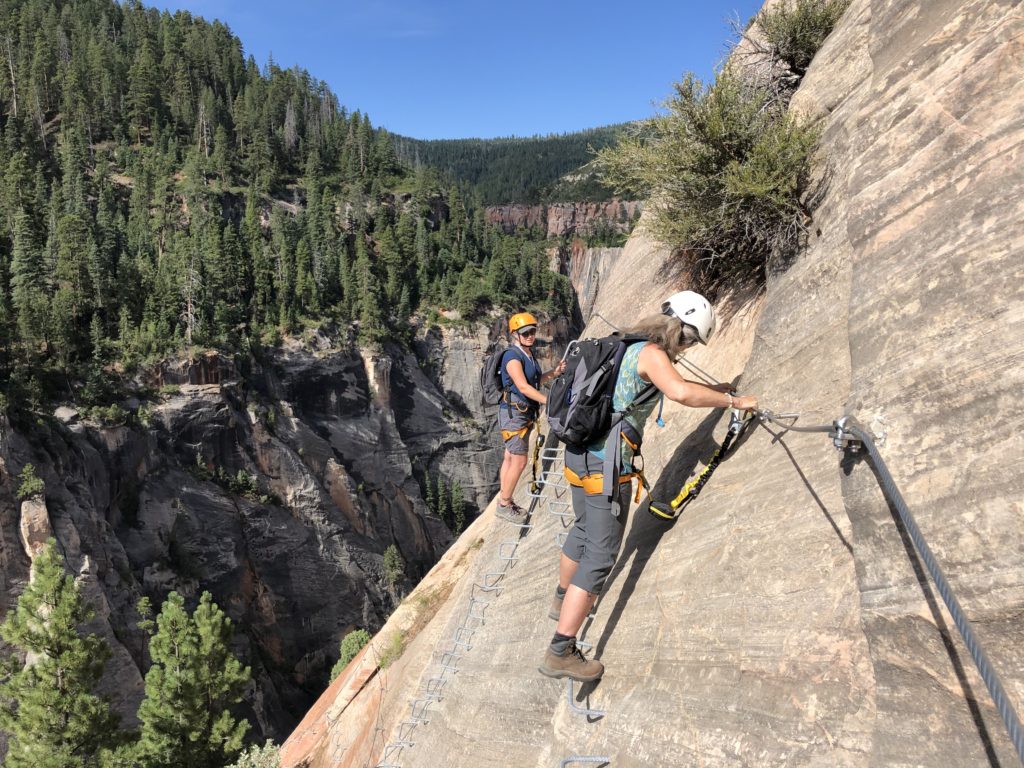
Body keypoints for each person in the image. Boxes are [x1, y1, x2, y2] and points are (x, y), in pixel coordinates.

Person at [539, 291, 759, 682]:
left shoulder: (626, 343)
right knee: (600, 557)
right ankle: (561, 651)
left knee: (583, 529)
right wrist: (734, 402)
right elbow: (679, 391)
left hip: (578, 454)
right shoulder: (653, 355)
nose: (687, 348)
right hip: (607, 467)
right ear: (682, 332)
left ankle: (561, 598)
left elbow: (673, 382)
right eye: (690, 341)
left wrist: (718, 390)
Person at [496, 312, 565, 524]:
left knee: (509, 456)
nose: (530, 336)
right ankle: (504, 504)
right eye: (525, 333)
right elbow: (523, 387)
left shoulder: (527, 354)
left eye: (533, 331)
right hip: (514, 415)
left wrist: (554, 373)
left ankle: (504, 496)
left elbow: (534, 381)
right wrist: (548, 401)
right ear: (515, 334)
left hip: (520, 413)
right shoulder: (512, 357)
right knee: (519, 461)